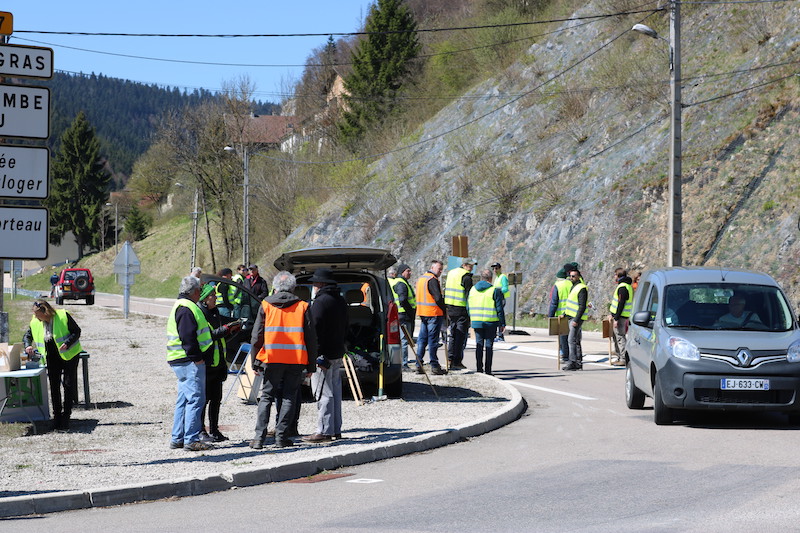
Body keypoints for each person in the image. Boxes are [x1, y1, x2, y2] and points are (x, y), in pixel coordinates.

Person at [250, 271, 318, 449]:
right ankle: (281, 437)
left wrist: (254, 362)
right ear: (293, 288)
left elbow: (256, 336)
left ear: (275, 287)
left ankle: (259, 438)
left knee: (266, 397)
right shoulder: (303, 306)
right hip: (295, 359)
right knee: (289, 397)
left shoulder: (266, 304)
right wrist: (311, 365)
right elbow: (311, 338)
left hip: (271, 358)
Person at [166, 276, 214, 451]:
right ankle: (191, 439)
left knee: (184, 399)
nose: (200, 293)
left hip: (181, 359)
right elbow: (187, 336)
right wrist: (197, 357)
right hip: (189, 360)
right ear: (194, 291)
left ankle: (178, 438)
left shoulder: (181, 305)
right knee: (195, 399)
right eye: (199, 290)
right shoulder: (187, 308)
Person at [303, 268, 348, 444]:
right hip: (337, 352)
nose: (313, 286)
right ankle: (335, 429)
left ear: (321, 284)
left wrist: (315, 353)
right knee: (335, 392)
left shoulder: (320, 302)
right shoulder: (340, 300)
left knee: (323, 392)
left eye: (315, 283)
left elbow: (313, 330)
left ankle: (324, 430)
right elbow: (346, 327)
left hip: (323, 355)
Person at [23, 300, 82, 431]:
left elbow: (76, 331)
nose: (36, 317)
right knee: (54, 386)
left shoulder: (62, 316)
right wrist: (27, 345)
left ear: (45, 312)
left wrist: (67, 343)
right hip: (51, 357)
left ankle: (66, 417)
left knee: (68, 384)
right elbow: (27, 336)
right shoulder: (35, 322)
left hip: (69, 354)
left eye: (38, 314)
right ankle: (57, 417)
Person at [197, 283, 242, 442]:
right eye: (212, 296)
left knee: (216, 399)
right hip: (207, 363)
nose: (215, 298)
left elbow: (220, 338)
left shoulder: (215, 312)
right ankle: (201, 430)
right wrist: (225, 329)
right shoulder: (200, 314)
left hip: (218, 363)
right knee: (204, 400)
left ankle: (214, 430)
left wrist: (232, 330)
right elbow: (208, 336)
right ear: (204, 299)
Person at [468, 270, 506, 375]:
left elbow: (468, 306)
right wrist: (502, 323)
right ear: (490, 278)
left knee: (479, 345)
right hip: (490, 322)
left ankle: (479, 369)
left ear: (481, 277)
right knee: (489, 346)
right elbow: (499, 309)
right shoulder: (494, 290)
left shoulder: (472, 290)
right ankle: (488, 370)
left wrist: (471, 318)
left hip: (476, 321)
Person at [415, 260, 447, 375]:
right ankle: (434, 366)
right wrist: (444, 310)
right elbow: (437, 298)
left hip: (423, 313)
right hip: (433, 313)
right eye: (439, 269)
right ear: (432, 267)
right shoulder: (432, 280)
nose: (440, 271)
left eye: (441, 269)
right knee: (433, 341)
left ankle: (418, 364)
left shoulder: (422, 279)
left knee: (422, 340)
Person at [444, 259, 475, 370]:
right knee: (460, 336)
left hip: (450, 308)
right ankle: (456, 361)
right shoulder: (466, 276)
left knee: (453, 334)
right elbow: (469, 296)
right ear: (464, 265)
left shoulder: (451, 273)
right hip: (461, 309)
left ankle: (450, 358)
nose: (471, 268)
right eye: (470, 266)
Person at [548, 262, 578, 363]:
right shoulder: (573, 284)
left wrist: (550, 316)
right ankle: (574, 357)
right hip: (573, 313)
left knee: (563, 337)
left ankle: (565, 357)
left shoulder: (558, 285)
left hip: (561, 315)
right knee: (573, 337)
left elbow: (554, 302)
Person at [389, 263, 416, 369]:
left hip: (402, 315)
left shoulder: (402, 282)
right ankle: (403, 364)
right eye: (408, 271)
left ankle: (398, 362)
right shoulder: (401, 284)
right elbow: (403, 300)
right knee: (403, 340)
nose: (410, 273)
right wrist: (410, 312)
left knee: (401, 340)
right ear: (402, 272)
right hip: (403, 315)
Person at [563, 268, 588, 371]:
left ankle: (572, 362)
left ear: (578, 277)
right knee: (576, 340)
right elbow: (571, 303)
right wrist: (564, 314)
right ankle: (578, 362)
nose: (571, 278)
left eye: (573, 276)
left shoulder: (581, 288)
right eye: (570, 276)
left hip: (576, 318)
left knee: (571, 340)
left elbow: (582, 306)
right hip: (571, 316)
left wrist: (576, 320)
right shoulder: (574, 287)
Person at [609, 268, 633, 366]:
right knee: (617, 337)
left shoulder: (622, 287)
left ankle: (623, 358)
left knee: (620, 337)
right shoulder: (627, 286)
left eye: (615, 275)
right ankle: (619, 357)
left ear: (618, 276)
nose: (614, 277)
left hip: (621, 316)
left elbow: (621, 304)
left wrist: (616, 318)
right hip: (621, 315)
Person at [490, 262, 510, 342]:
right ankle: (498, 334)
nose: (495, 270)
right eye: (493, 268)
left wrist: (498, 291)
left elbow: (505, 288)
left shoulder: (503, 277)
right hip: (497, 298)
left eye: (496, 268)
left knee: (499, 316)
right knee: (497, 317)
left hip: (501, 298)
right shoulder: (496, 278)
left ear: (500, 268)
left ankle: (501, 335)